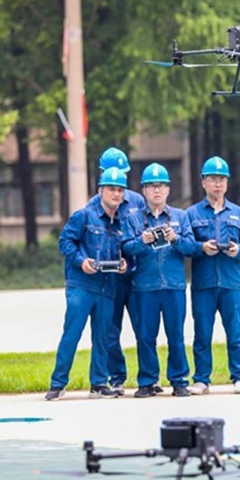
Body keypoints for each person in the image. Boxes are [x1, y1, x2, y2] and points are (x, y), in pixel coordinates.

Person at [45, 168, 129, 401]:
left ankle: (99, 384)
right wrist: (81, 261)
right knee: (72, 334)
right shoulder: (83, 216)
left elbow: (122, 250)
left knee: (103, 336)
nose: (116, 194)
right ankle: (58, 383)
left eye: (120, 190)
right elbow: (65, 242)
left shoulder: (119, 223)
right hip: (81, 285)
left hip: (107, 287)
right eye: (111, 189)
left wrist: (123, 264)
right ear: (100, 190)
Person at [121, 163, 195, 398]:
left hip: (173, 285)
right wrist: (142, 240)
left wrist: (176, 239)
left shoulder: (180, 217)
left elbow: (191, 247)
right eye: (151, 186)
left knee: (176, 335)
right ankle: (147, 380)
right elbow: (125, 247)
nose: (156, 191)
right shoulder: (133, 220)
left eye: (161, 185)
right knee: (145, 336)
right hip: (145, 286)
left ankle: (179, 380)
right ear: (143, 190)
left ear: (168, 190)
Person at [185, 156, 240, 395]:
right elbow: (184, 244)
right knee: (202, 333)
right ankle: (202, 379)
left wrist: (238, 250)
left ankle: (239, 376)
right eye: (213, 179)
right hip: (203, 283)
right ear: (203, 182)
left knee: (235, 331)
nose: (218, 184)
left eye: (222, 179)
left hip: (230, 282)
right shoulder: (192, 214)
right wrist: (201, 247)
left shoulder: (238, 213)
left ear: (227, 183)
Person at [86, 147, 146, 396]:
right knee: (110, 331)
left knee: (144, 329)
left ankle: (148, 378)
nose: (117, 176)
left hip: (135, 275)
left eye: (123, 172)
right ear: (101, 174)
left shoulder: (137, 201)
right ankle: (117, 377)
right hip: (108, 278)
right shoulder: (92, 205)